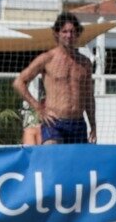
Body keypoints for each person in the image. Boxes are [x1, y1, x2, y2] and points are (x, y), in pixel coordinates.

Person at [15, 11, 95, 144]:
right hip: (54, 122)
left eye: (72, 32)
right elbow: (19, 82)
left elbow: (88, 96)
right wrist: (39, 108)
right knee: (52, 151)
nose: (69, 35)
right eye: (65, 31)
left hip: (78, 123)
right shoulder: (47, 59)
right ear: (57, 33)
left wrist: (93, 125)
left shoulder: (85, 63)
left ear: (77, 34)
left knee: (77, 163)